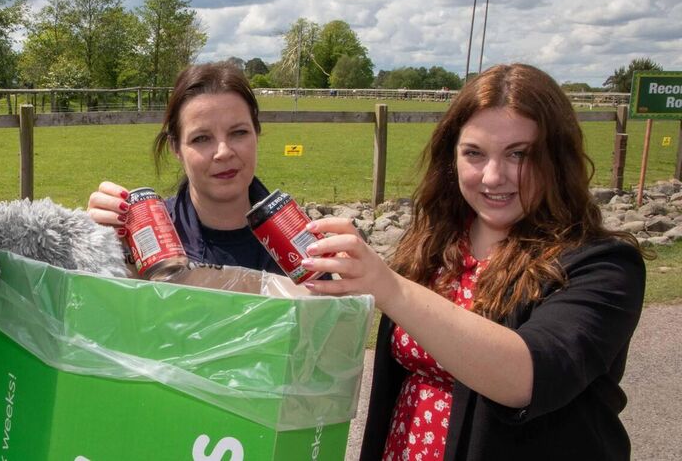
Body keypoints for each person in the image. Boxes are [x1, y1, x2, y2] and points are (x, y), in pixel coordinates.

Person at [302, 63, 646, 460]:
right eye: (474, 153)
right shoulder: (436, 245)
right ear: (452, 158)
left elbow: (527, 377)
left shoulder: (604, 265)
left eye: (519, 154)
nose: (493, 176)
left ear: (557, 158)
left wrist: (388, 287)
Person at [87, 62, 283, 272]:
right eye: (201, 138)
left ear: (256, 133)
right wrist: (95, 250)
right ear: (176, 148)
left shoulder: (300, 238)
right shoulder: (144, 239)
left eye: (239, 132)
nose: (224, 152)